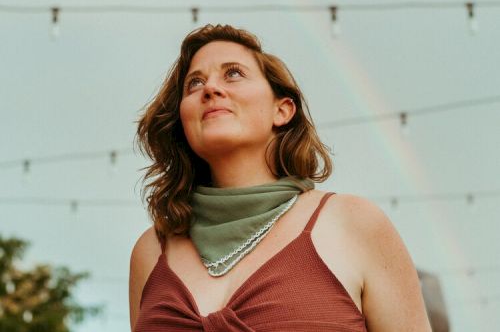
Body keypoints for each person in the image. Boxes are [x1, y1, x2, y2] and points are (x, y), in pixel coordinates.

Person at [129, 24, 431, 331]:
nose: (210, 89)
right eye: (194, 83)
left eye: (233, 73)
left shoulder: (355, 224)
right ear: (183, 121)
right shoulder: (151, 251)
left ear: (282, 110)